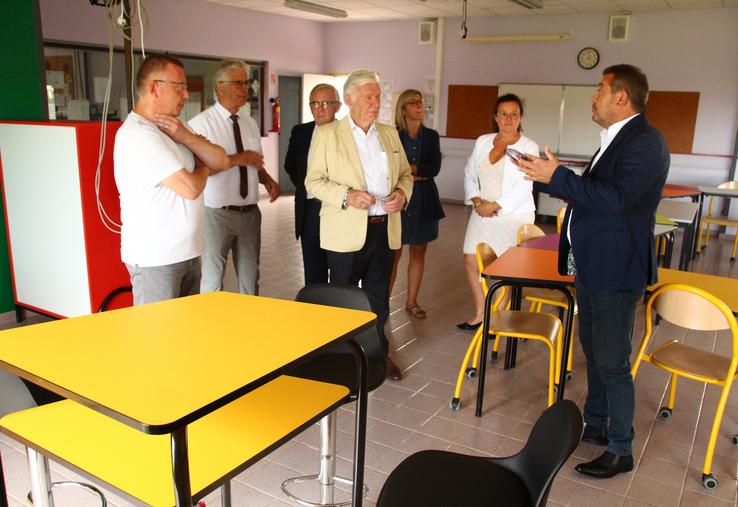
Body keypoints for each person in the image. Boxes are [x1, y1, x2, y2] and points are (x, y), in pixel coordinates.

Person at [518, 64, 669, 479]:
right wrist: (548, 176)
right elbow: (596, 196)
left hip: (616, 268)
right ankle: (597, 422)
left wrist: (558, 177)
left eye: (600, 89)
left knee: (613, 360)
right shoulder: (617, 139)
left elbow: (615, 199)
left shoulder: (645, 142)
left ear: (621, 97)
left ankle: (621, 448)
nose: (593, 96)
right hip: (594, 262)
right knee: (595, 350)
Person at [305, 69, 414, 381]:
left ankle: (378, 354)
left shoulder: (389, 133)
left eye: (378, 96)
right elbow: (312, 181)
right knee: (344, 300)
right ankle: (341, 358)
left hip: (383, 229)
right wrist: (346, 195)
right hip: (345, 234)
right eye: (369, 97)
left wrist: (401, 195)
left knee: (378, 300)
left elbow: (406, 174)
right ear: (350, 100)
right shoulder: (327, 134)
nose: (375, 103)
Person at [114, 54, 229, 306]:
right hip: (156, 259)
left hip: (186, 254)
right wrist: (202, 162)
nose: (186, 95)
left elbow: (222, 161)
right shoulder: (138, 135)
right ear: (155, 87)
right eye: (180, 87)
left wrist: (188, 138)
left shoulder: (173, 126)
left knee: (184, 335)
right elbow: (190, 188)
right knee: (157, 340)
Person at [188, 59, 279, 296]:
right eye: (238, 83)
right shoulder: (200, 125)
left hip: (249, 213)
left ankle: (248, 328)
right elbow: (201, 168)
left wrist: (266, 178)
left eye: (246, 83)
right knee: (212, 281)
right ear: (219, 86)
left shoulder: (249, 123)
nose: (244, 89)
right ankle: (213, 329)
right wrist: (238, 158)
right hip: (217, 214)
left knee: (251, 280)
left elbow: (254, 162)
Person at [457, 94, 538, 330]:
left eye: (514, 114)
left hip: (513, 216)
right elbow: (470, 173)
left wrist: (495, 206)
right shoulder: (483, 141)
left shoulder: (528, 146)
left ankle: (497, 318)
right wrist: (476, 200)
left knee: (505, 267)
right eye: (503, 113)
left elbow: (525, 185)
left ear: (520, 117)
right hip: (481, 211)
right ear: (496, 117)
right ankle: (482, 313)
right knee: (471, 260)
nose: (508, 118)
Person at [387, 89, 444, 320]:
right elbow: (392, 169)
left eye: (421, 103)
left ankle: (412, 302)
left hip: (424, 198)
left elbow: (434, 169)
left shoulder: (431, 136)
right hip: (399, 197)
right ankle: (383, 302)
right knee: (393, 252)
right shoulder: (392, 135)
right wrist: (415, 171)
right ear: (403, 109)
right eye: (413, 103)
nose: (419, 107)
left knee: (419, 251)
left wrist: (411, 169)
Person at [284, 83, 341, 285]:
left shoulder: (347, 134)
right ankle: (316, 312)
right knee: (313, 269)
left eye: (326, 103)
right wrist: (307, 187)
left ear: (338, 106)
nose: (320, 108)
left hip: (338, 209)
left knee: (339, 267)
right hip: (310, 209)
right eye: (315, 103)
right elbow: (291, 165)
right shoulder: (301, 132)